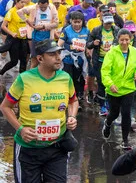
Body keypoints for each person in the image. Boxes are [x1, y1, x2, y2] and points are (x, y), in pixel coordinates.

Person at [0, 39, 78, 183]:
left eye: (59, 53)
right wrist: (21, 129)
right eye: (52, 54)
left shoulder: (65, 78)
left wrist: (72, 116)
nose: (58, 58)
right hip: (28, 149)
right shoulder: (24, 79)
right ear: (40, 58)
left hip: (57, 147)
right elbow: (5, 107)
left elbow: (73, 101)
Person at [101, 29, 136, 149]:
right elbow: (105, 71)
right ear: (118, 40)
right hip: (113, 90)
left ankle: (125, 141)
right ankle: (108, 123)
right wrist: (110, 84)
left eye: (127, 40)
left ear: (130, 40)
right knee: (114, 113)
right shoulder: (112, 53)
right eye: (122, 40)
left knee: (126, 114)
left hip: (129, 88)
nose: (124, 42)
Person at [86, 12, 120, 115]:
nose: (109, 25)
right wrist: (93, 43)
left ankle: (110, 104)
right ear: (102, 21)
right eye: (107, 23)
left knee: (112, 82)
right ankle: (102, 106)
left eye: (110, 23)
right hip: (100, 60)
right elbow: (88, 44)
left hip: (113, 61)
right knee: (101, 83)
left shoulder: (116, 30)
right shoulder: (96, 30)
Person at [17, 0, 59, 68]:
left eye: (44, 7)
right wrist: (28, 21)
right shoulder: (34, 8)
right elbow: (19, 12)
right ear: (38, 4)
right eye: (41, 7)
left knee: (47, 59)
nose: (43, 9)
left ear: (48, 4)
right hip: (36, 36)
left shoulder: (52, 8)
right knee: (34, 59)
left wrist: (43, 26)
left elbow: (56, 24)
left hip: (48, 35)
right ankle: (31, 76)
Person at [58, 11, 89, 106]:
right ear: (71, 21)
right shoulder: (66, 30)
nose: (76, 24)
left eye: (79, 22)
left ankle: (78, 98)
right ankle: (67, 97)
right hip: (67, 58)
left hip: (80, 59)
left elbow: (88, 44)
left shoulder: (86, 31)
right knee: (68, 78)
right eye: (74, 22)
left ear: (82, 22)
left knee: (78, 79)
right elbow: (60, 42)